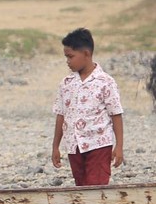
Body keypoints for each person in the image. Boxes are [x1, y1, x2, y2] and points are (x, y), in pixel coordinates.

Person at [51, 28, 124, 186]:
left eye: (70, 56)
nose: (67, 61)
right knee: (81, 187)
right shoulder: (66, 84)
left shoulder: (106, 82)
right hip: (74, 145)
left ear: (86, 54)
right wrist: (55, 146)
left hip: (99, 144)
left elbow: (116, 114)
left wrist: (119, 146)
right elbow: (60, 115)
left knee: (95, 188)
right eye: (66, 57)